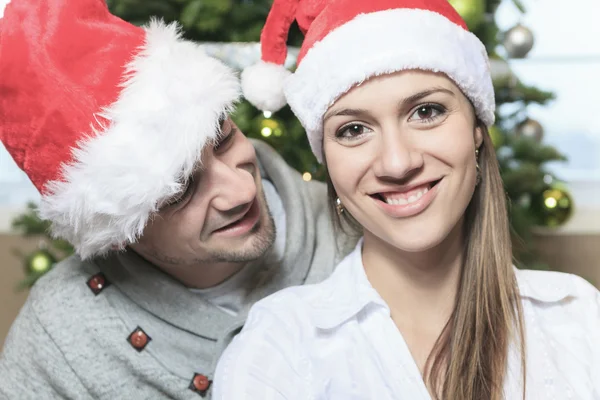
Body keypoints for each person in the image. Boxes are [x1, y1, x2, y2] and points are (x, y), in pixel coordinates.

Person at [213, 0, 600, 399]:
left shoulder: (579, 319)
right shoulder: (277, 352)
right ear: (327, 160)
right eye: (353, 129)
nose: (397, 163)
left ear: (477, 131)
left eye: (426, 111)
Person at [0, 0, 354, 398]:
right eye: (182, 191)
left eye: (222, 139)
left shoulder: (365, 226)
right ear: (119, 234)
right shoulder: (58, 340)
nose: (241, 191)